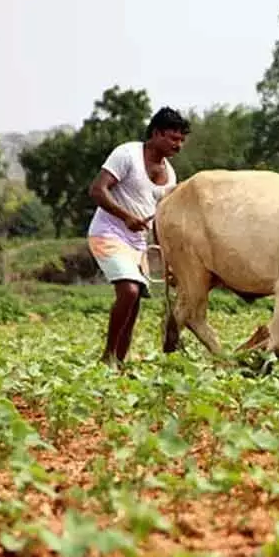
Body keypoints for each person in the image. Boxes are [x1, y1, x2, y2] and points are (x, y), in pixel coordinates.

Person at [86, 107, 189, 366]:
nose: (179, 144)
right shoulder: (127, 154)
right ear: (156, 134)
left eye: (181, 140)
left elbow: (161, 218)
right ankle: (108, 355)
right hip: (108, 232)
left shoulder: (170, 174)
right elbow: (97, 190)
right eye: (173, 138)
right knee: (129, 291)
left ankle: (119, 360)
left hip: (139, 243)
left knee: (134, 301)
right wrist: (125, 217)